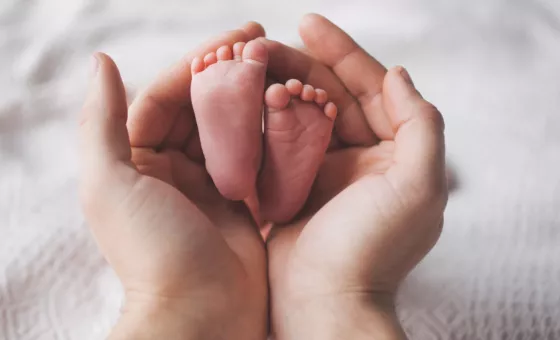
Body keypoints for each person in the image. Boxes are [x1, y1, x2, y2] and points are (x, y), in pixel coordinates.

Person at [79, 13, 447, 340]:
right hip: (311, 244)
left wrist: (177, 298)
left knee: (239, 184)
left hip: (208, 239)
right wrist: (340, 295)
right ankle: (276, 192)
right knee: (284, 187)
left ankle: (244, 177)